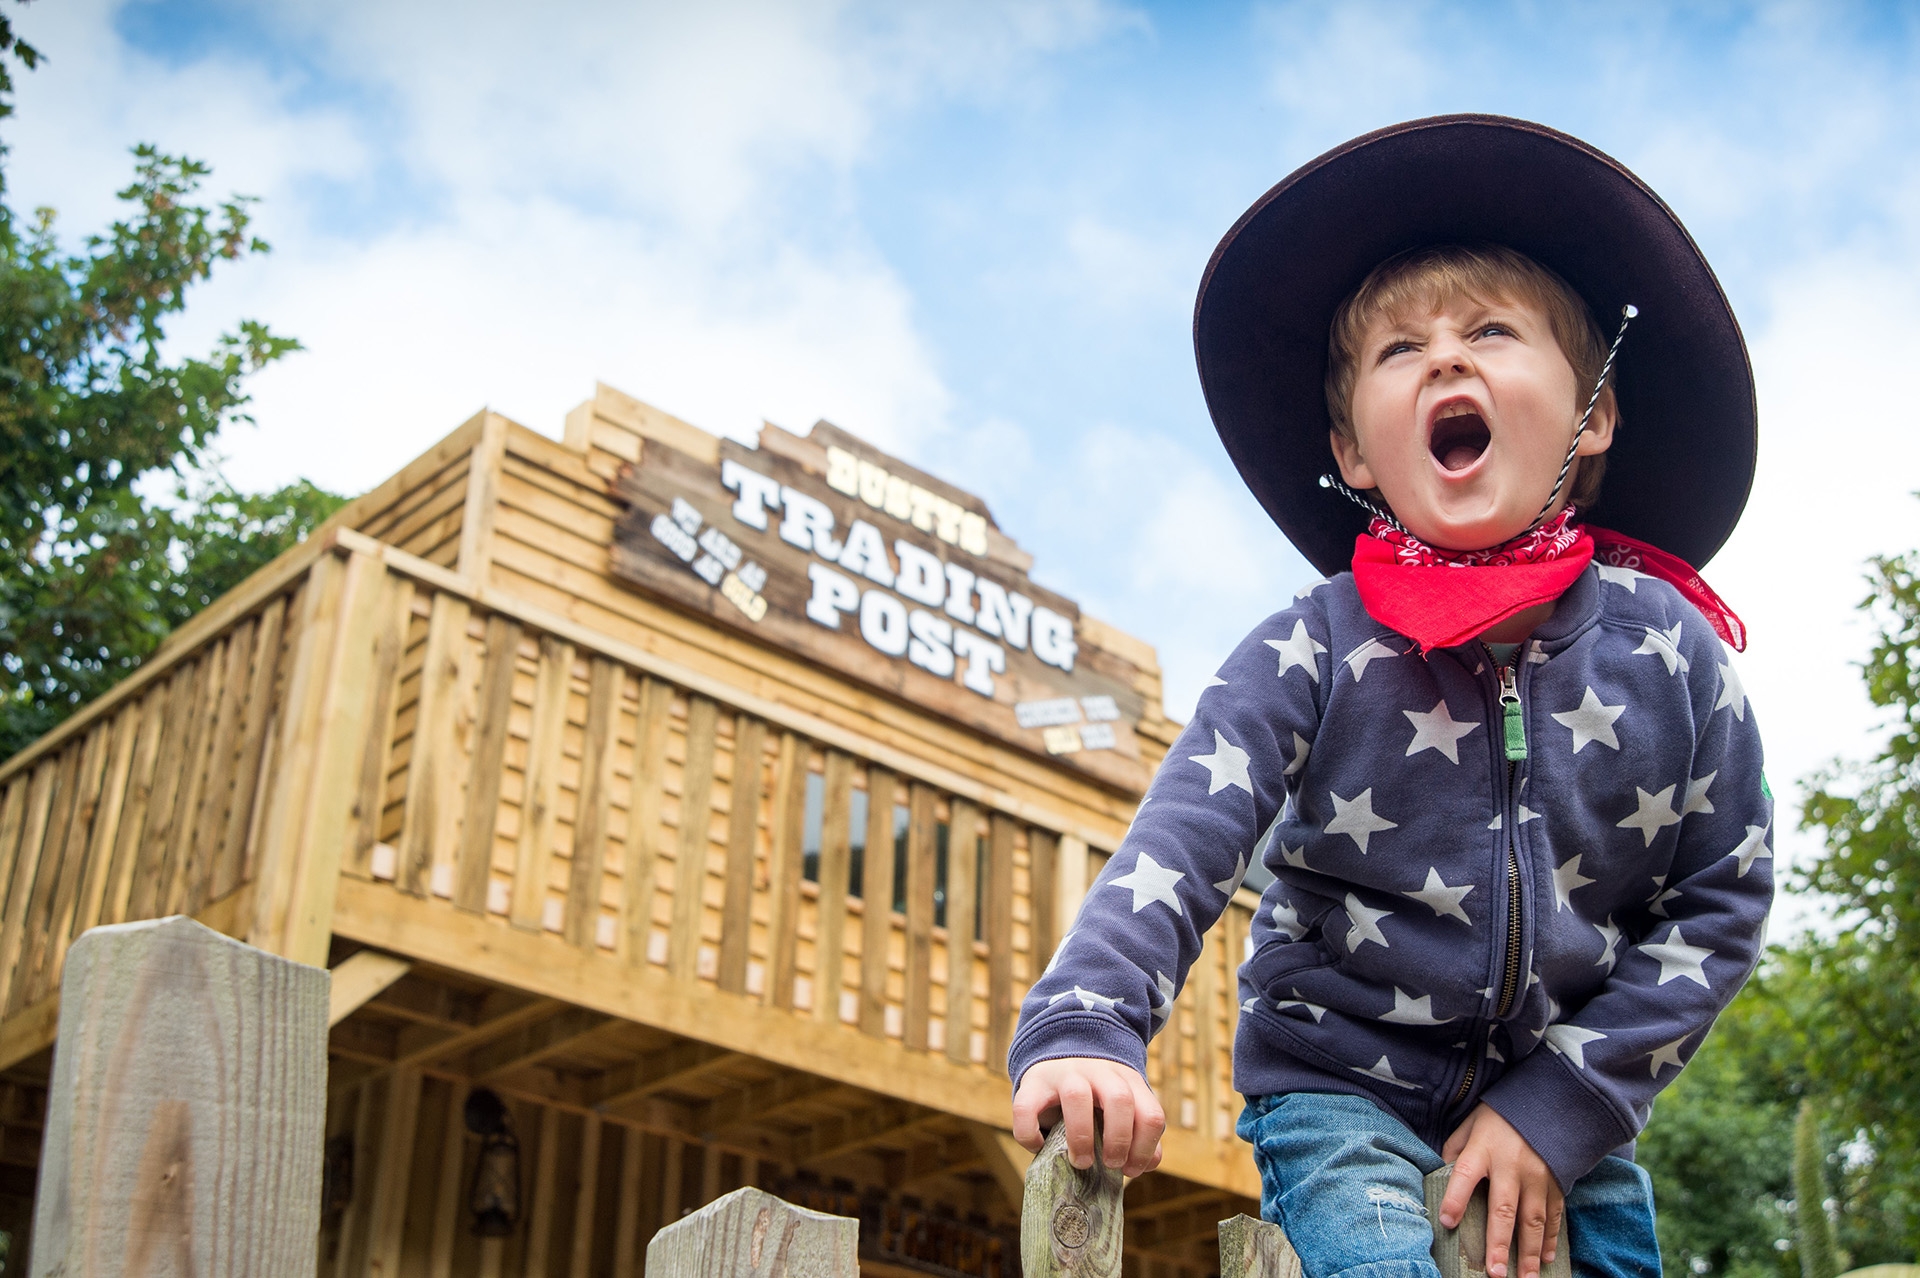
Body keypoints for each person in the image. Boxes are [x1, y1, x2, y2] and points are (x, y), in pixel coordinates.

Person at [1007, 116, 1771, 1278]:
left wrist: (1564, 1104)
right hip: (1339, 1085)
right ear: (1353, 451)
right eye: (1400, 351)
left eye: (1493, 332)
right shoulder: (1316, 645)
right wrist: (1088, 1023)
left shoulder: (1669, 653)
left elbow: (1723, 896)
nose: (1448, 360)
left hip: (1566, 1103)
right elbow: (1184, 841)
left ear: (1593, 415)